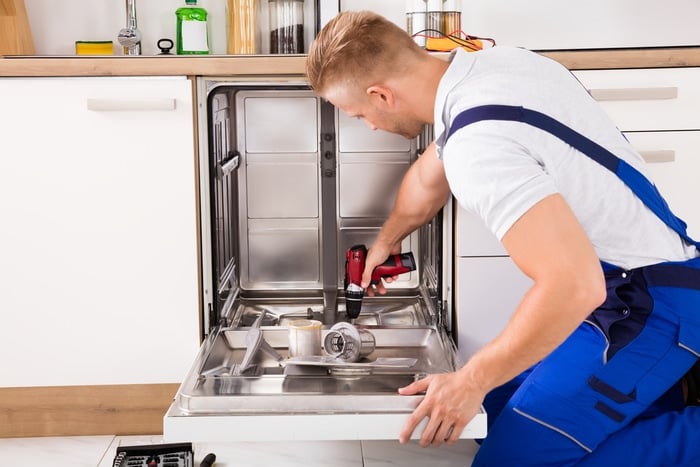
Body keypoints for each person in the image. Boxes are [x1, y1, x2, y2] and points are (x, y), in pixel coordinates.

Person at [306, 10, 700, 467]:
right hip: (629, 286)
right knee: (488, 417)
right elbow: (429, 181)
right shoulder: (490, 69)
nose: (368, 125)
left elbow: (573, 285)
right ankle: (665, 394)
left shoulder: (479, 147)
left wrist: (470, 380)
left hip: (647, 303)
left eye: (359, 114)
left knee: (506, 459)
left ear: (381, 95)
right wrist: (387, 240)